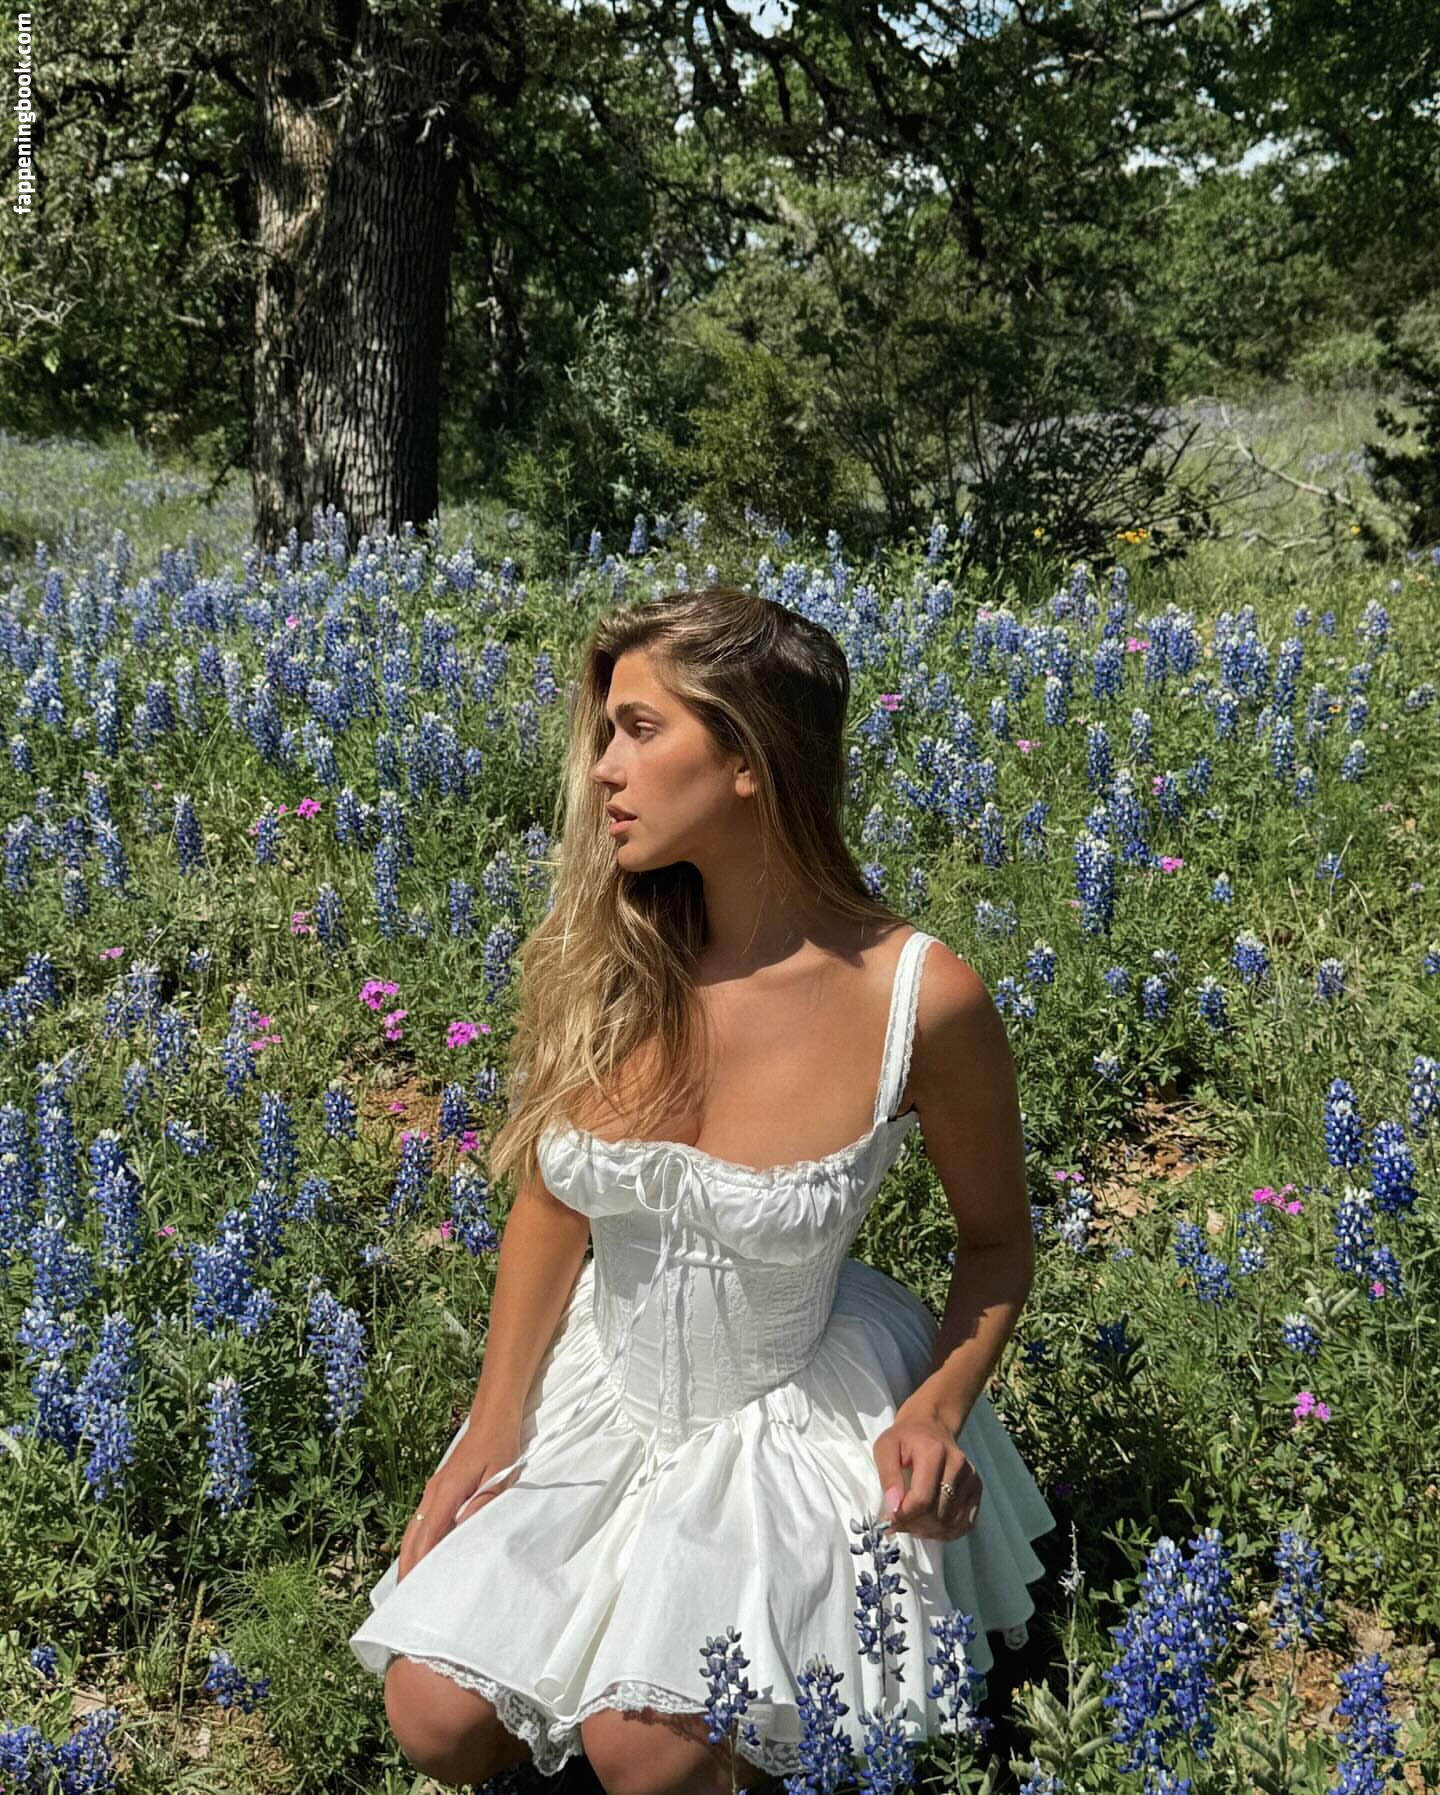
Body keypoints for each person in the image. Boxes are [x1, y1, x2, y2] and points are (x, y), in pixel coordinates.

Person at [349, 584, 1055, 1795]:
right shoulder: (609, 957)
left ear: (746, 760)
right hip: (604, 1386)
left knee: (645, 1748)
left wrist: (935, 1411)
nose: (603, 771)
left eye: (640, 729)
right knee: (432, 1717)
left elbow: (996, 1243)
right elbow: (552, 1206)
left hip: (791, 1409)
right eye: (606, 732)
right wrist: (493, 1422)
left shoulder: (920, 996)